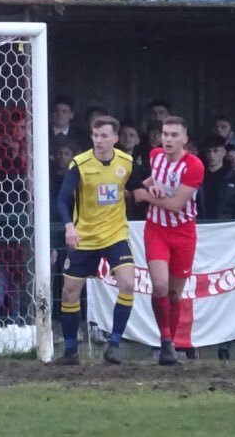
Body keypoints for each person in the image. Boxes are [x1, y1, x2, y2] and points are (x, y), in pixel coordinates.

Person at [53, 116, 142, 365]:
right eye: (95, 135)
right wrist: (69, 226)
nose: (98, 140)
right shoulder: (80, 164)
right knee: (69, 292)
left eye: (104, 136)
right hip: (85, 236)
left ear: (115, 138)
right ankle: (70, 352)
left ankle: (114, 346)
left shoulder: (126, 162)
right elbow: (62, 200)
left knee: (128, 283)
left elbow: (137, 187)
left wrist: (150, 190)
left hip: (115, 234)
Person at [132, 116, 204, 366]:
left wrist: (146, 197)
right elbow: (152, 181)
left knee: (174, 294)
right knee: (160, 286)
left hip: (183, 233)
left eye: (174, 135)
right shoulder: (155, 156)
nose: (168, 139)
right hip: (157, 230)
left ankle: (170, 342)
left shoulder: (194, 166)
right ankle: (165, 341)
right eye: (165, 134)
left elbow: (175, 204)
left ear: (185, 139)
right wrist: (143, 188)